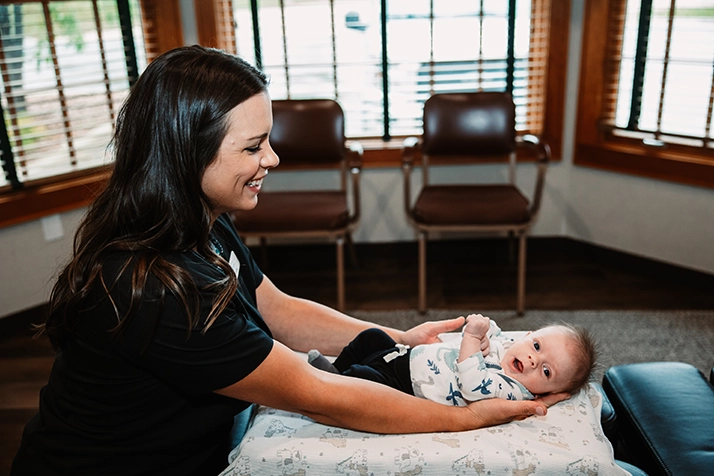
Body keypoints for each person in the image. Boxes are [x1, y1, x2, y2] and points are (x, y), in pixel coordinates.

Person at [10, 46, 568, 476]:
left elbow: (277, 309)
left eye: (268, 140)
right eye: (252, 147)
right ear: (187, 152)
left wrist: (399, 337)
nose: (271, 159)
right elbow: (317, 394)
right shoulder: (158, 289)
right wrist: (464, 419)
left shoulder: (199, 220)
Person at [309, 314, 597, 405]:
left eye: (546, 371)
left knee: (364, 379)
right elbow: (495, 335)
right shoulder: (511, 350)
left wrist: (472, 338)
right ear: (528, 335)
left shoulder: (513, 390)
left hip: (403, 387)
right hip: (404, 356)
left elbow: (473, 384)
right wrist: (485, 331)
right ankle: (336, 369)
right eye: (536, 345)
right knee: (371, 337)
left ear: (545, 391)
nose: (533, 360)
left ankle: (333, 383)